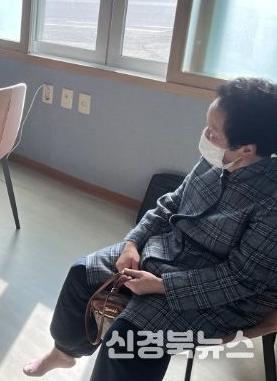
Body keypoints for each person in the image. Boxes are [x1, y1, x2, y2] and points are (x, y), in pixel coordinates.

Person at [24, 77, 277, 381]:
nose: (205, 135)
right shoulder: (218, 160)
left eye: (213, 130)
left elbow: (244, 279)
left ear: (247, 149)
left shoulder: (271, 201)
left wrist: (162, 285)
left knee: (128, 341)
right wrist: (133, 242)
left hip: (225, 294)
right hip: (169, 251)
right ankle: (65, 352)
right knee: (81, 273)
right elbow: (171, 203)